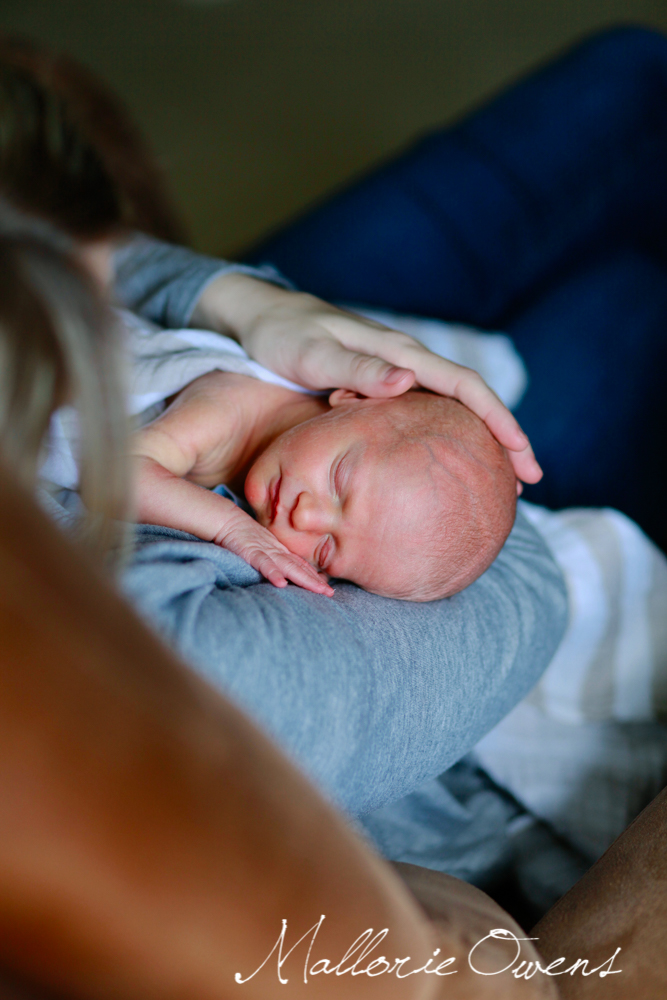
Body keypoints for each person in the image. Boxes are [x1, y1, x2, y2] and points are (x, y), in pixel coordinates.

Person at [133, 372, 517, 600]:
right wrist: (231, 527)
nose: (305, 516)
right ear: (355, 396)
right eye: (338, 480)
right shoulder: (232, 401)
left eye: (325, 550)